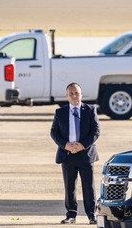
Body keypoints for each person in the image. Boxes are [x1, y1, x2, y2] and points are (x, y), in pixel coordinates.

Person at [50, 83, 100, 225]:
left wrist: (82, 145)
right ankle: (71, 214)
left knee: (88, 186)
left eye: (76, 93)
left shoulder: (90, 110)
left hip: (85, 154)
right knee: (69, 186)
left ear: (81, 94)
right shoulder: (60, 112)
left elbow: (96, 132)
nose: (74, 96)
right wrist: (66, 145)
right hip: (67, 154)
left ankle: (92, 215)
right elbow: (54, 132)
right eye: (71, 93)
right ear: (67, 96)